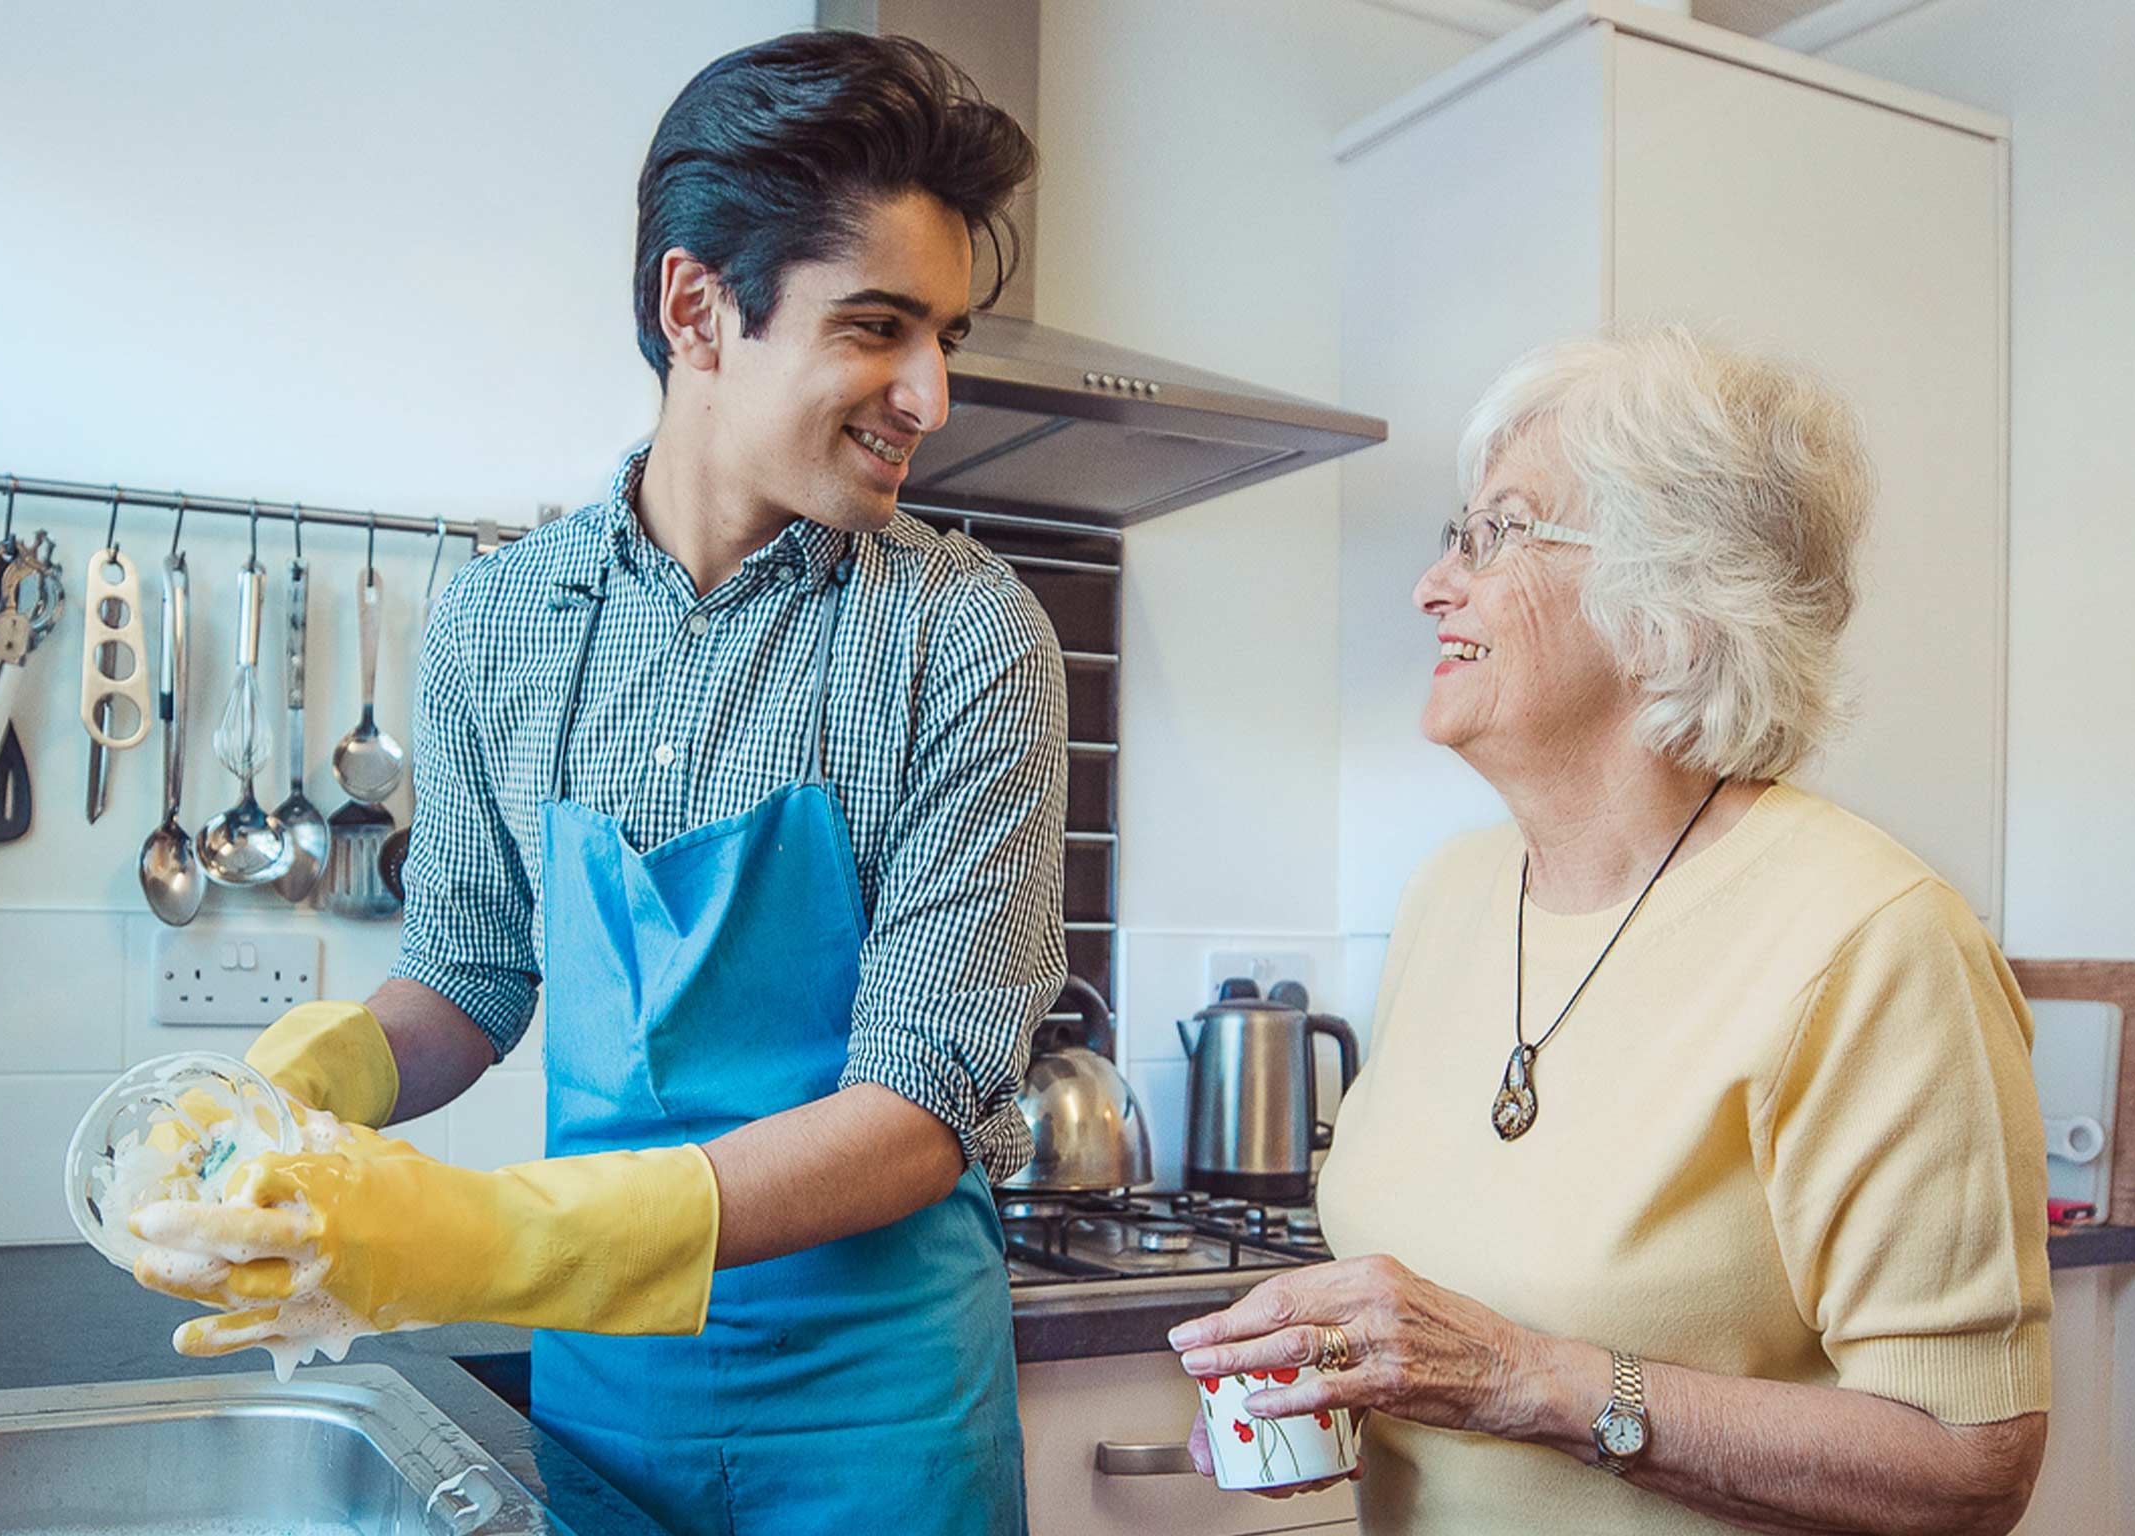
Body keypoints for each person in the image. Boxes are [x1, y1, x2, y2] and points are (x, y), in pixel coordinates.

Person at [130, 31, 1063, 1536]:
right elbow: (469, 979)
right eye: (879, 327)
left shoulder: (962, 638)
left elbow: (917, 1109)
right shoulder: (504, 622)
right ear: (697, 308)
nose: (931, 394)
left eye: (944, 334)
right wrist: (286, 1096)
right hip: (610, 1405)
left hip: (881, 1418)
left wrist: (491, 1232)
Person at [1166, 327, 2050, 1535]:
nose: (1436, 585)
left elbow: (1968, 1467)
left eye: (1499, 533)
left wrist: (1526, 1384)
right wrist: (1353, 1384)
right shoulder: (1450, 899)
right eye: (1452, 538)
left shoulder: (1873, 939)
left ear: (1672, 591)